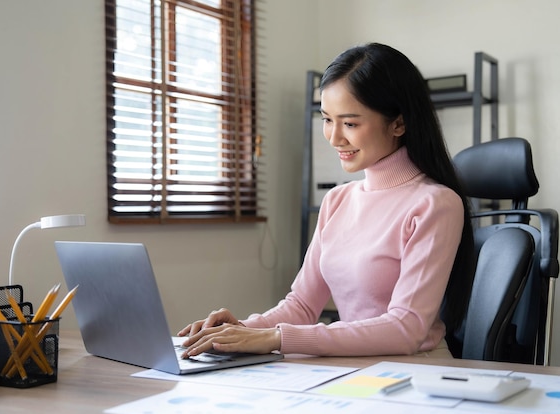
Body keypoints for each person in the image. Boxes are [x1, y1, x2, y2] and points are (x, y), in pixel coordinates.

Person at [178, 43, 475, 358]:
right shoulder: (338, 200)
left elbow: (406, 328)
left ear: (398, 124)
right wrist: (243, 329)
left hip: (414, 370)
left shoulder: (435, 204)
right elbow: (303, 305)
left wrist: (277, 338)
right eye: (327, 119)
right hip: (352, 367)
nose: (334, 138)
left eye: (349, 123)